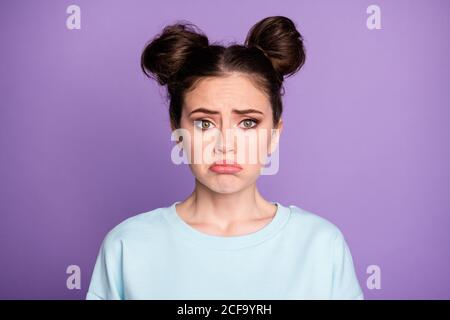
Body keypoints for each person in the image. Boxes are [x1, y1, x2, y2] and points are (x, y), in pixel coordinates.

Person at [86, 16, 364, 300]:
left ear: (274, 133)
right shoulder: (127, 246)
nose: (225, 145)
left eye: (248, 123)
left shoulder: (321, 245)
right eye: (204, 123)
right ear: (177, 129)